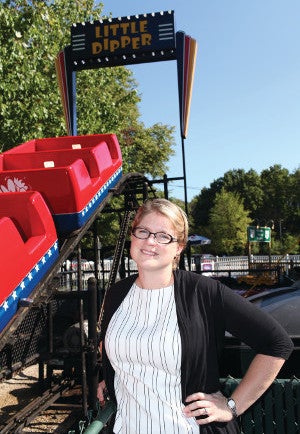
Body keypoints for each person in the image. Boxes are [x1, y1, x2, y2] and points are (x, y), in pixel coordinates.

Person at [97, 198, 293, 434]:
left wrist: (232, 406)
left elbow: (277, 343)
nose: (150, 241)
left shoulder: (204, 292)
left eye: (163, 236)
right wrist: (112, 378)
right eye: (143, 231)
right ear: (132, 236)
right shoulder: (116, 294)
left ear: (178, 247)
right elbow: (122, 353)